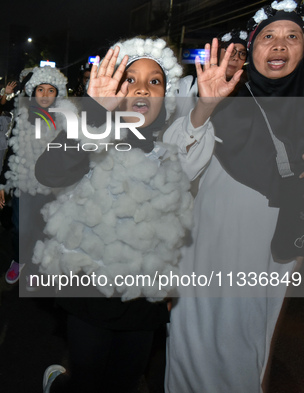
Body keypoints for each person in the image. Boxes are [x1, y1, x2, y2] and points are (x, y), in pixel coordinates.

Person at [163, 1, 304, 391]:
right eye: (269, 36)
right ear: (253, 48)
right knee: (197, 344)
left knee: (250, 348)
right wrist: (203, 109)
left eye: (291, 36)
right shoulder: (225, 96)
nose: (280, 45)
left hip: (279, 252)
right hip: (211, 249)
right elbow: (174, 167)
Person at [34, 37, 190, 393]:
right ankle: (60, 384)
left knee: (126, 381)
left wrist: (169, 283)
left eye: (155, 81)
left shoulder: (170, 153)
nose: (142, 89)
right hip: (91, 297)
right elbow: (48, 172)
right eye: (129, 79)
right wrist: (94, 112)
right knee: (88, 382)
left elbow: (176, 225)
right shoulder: (90, 135)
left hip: (143, 300)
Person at [0, 66, 71, 285]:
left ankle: (38, 266)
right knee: (20, 228)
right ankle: (19, 259)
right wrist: (2, 183)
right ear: (32, 92)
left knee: (45, 229)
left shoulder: (65, 120)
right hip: (23, 184)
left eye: (50, 90)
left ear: (58, 93)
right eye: (40, 90)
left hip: (52, 187)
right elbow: (13, 151)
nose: (45, 95)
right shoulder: (23, 116)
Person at [175, 28, 248, 120]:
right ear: (217, 53)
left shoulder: (248, 95)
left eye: (242, 53)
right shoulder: (188, 85)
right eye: (230, 50)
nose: (236, 57)